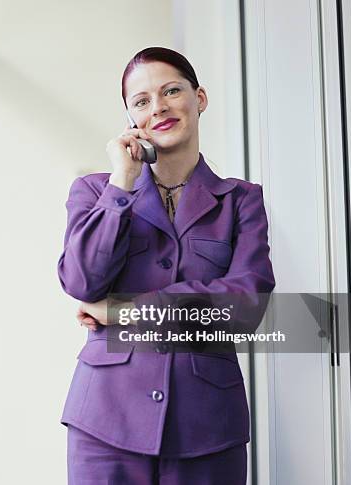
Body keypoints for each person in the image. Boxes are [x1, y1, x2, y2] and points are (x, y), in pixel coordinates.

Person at [57, 47, 275, 484]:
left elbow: (245, 306)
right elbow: (82, 280)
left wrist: (120, 312)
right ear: (130, 120)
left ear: (200, 98)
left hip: (207, 426)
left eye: (172, 90)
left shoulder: (240, 201)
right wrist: (122, 182)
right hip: (106, 422)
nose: (158, 107)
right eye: (141, 101)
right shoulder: (95, 191)